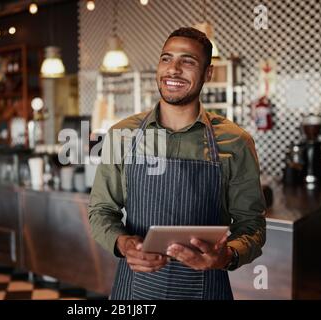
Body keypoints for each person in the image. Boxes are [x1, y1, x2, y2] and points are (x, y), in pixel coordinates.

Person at [88, 27, 266, 300]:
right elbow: (101, 210)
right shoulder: (122, 135)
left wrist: (226, 256)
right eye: (166, 58)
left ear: (208, 73)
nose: (173, 69)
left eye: (188, 61)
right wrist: (123, 243)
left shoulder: (236, 142)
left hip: (207, 290)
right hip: (135, 292)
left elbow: (252, 225)